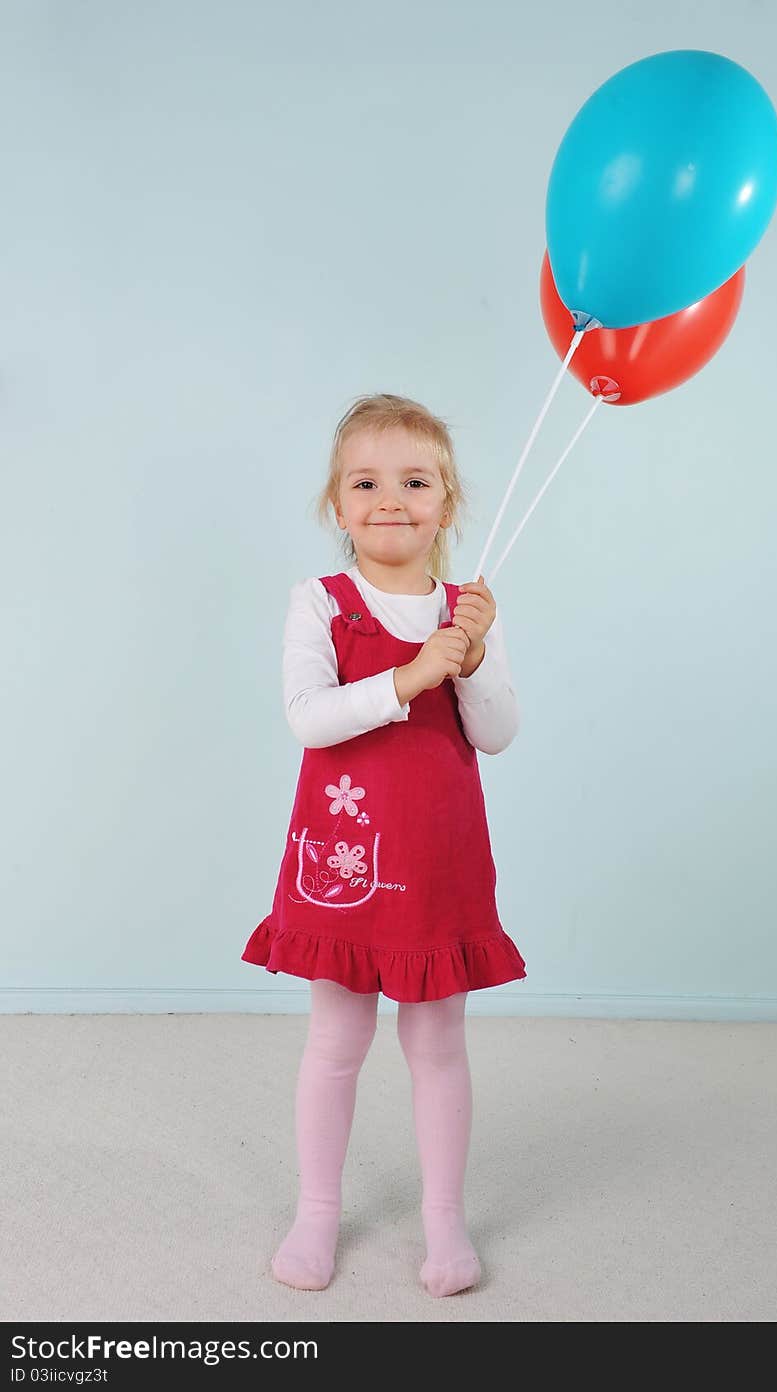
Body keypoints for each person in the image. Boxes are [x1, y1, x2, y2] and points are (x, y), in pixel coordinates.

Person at [242, 392, 527, 1297]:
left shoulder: (466, 611)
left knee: (438, 1041)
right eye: (366, 482)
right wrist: (408, 676)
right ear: (338, 505)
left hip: (439, 860)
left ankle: (445, 1221)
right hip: (346, 863)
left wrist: (471, 662)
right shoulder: (320, 603)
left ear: (446, 502)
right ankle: (317, 1209)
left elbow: (497, 735)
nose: (390, 499)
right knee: (336, 1038)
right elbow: (308, 720)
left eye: (415, 480)